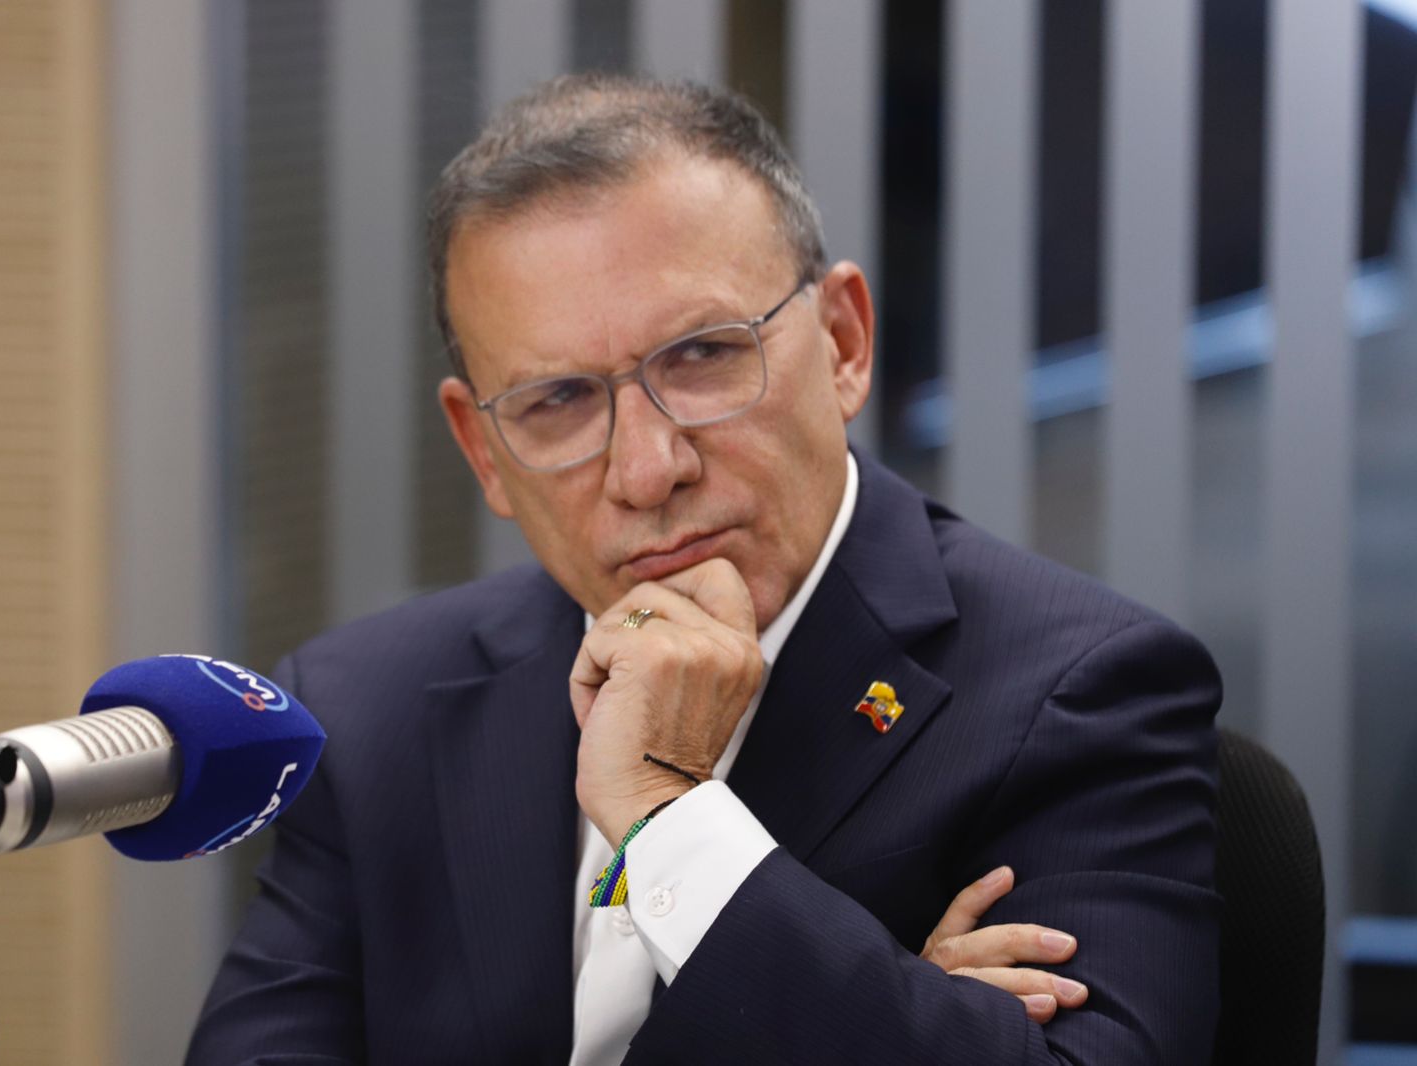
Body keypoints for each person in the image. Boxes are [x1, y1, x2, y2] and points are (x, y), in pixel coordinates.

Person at [186, 74, 1221, 1065]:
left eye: (702, 356)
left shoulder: (1078, 692)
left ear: (844, 342)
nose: (648, 470)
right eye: (558, 402)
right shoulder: (372, 709)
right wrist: (895, 1014)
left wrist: (664, 815)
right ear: (482, 451)